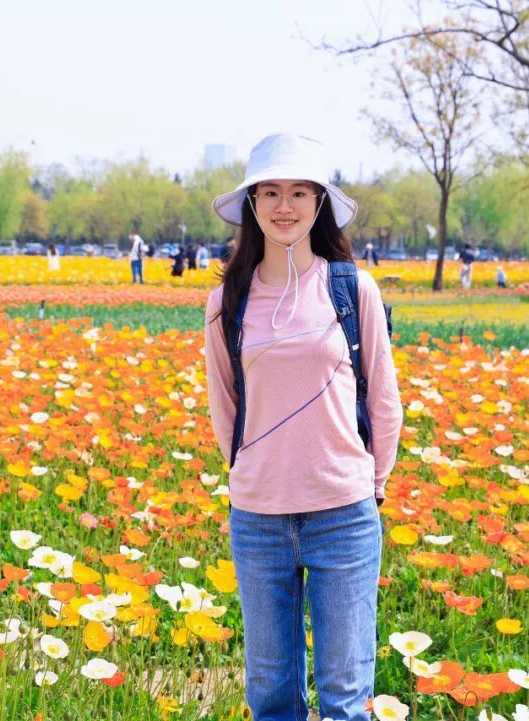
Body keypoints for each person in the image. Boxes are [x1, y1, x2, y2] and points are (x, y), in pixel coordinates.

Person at [204, 133, 402, 721]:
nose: (283, 205)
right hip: (258, 519)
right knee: (270, 695)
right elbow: (224, 405)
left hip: (343, 513)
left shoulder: (352, 289)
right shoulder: (227, 301)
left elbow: (384, 399)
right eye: (269, 192)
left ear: (319, 203)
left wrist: (372, 484)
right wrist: (252, 473)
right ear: (252, 204)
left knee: (346, 699)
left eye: (298, 192)